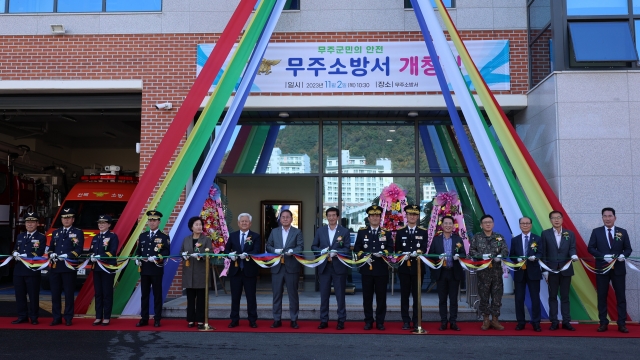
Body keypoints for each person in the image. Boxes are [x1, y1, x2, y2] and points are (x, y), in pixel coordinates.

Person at [587, 207, 633, 333]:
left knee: (621, 297)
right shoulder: (596, 232)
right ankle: (603, 322)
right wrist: (603, 256)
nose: (607, 218)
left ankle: (622, 323)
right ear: (602, 218)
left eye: (610, 216)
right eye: (605, 216)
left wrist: (624, 255)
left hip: (618, 269)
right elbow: (590, 248)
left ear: (615, 217)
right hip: (602, 268)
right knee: (602, 296)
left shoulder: (622, 232)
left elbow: (628, 249)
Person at [353, 205, 393, 331]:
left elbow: (391, 248)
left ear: (380, 218)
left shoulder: (386, 232)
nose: (375, 218)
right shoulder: (362, 232)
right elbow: (357, 248)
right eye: (372, 216)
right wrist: (364, 255)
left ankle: (380, 321)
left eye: (377, 216)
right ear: (368, 218)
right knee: (367, 297)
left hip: (381, 270)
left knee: (381, 298)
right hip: (367, 269)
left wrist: (384, 252)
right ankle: (368, 321)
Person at [311, 207, 351, 330]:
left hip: (338, 266)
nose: (331, 217)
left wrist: (337, 252)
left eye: (334, 215)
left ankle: (341, 320)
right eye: (329, 215)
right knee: (324, 295)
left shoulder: (344, 231)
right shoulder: (320, 231)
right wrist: (320, 251)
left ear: (338, 217)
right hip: (324, 267)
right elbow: (313, 246)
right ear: (326, 217)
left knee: (340, 295)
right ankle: (324, 320)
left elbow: (347, 248)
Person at [468, 214, 509, 331]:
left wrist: (501, 256)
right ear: (481, 225)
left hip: (496, 271)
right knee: (484, 296)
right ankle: (485, 319)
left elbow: (505, 250)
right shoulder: (477, 237)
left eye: (490, 222)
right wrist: (481, 256)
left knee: (497, 296)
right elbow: (471, 251)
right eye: (485, 222)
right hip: (483, 272)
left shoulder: (499, 237)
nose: (488, 224)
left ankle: (495, 319)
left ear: (493, 224)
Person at [265, 209, 303, 329]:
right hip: (277, 267)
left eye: (287, 217)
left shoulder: (297, 232)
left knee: (293, 294)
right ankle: (277, 319)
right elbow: (268, 245)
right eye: (283, 217)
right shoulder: (274, 232)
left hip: (292, 267)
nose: (285, 219)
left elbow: (300, 246)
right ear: (280, 219)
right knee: (276, 294)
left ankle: (294, 319)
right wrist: (274, 250)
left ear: (291, 219)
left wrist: (294, 251)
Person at [541, 210, 578, 331]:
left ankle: (566, 321)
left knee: (565, 296)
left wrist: (573, 255)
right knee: (552, 296)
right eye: (553, 218)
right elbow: (544, 253)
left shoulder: (570, 233)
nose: (556, 220)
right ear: (550, 220)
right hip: (551, 270)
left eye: (558, 217)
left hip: (566, 269)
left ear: (562, 219)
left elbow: (572, 248)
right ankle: (554, 321)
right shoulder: (545, 234)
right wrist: (544, 270)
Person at [429, 215, 466, 331]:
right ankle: (443, 321)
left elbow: (464, 254)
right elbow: (431, 255)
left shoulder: (458, 239)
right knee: (442, 299)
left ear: (453, 225)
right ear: (442, 225)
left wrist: (458, 256)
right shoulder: (436, 240)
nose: (448, 225)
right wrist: (438, 258)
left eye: (450, 223)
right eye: (446, 223)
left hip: (454, 272)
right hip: (441, 272)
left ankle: (453, 322)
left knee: (454, 299)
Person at [48, 208, 84, 326]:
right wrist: (51, 254)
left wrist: (67, 255)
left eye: (68, 218)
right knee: (55, 294)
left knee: (69, 294)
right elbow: (51, 248)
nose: (66, 220)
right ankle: (56, 317)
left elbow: (78, 250)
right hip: (55, 267)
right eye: (64, 218)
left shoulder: (78, 232)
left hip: (68, 267)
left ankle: (68, 317)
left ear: (73, 220)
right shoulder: (56, 232)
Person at [135, 210, 171, 328]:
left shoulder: (163, 236)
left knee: (157, 294)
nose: (152, 222)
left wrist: (157, 257)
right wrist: (137, 258)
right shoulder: (143, 236)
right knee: (144, 294)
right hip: (144, 269)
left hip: (156, 269)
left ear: (159, 222)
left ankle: (157, 318)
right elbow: (139, 251)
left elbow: (166, 251)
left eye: (154, 220)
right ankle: (144, 318)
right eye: (150, 220)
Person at [225, 213, 262, 329]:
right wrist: (230, 255)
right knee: (235, 297)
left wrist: (247, 254)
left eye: (246, 221)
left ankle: (252, 320)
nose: (244, 223)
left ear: (250, 223)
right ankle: (234, 319)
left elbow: (256, 250)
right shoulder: (233, 235)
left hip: (249, 271)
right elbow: (226, 249)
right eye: (242, 221)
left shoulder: (255, 236)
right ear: (238, 223)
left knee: (251, 297)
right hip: (235, 271)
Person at [509, 216, 544, 332]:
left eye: (527, 223)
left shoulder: (537, 239)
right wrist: (516, 259)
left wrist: (536, 257)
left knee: (535, 298)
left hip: (533, 272)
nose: (525, 225)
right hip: (520, 273)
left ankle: (536, 323)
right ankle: (520, 322)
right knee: (519, 298)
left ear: (531, 225)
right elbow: (511, 255)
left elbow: (541, 253)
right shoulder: (515, 239)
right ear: (519, 225)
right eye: (522, 223)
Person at [396, 205, 428, 331]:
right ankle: (405, 320)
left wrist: (418, 252)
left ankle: (417, 320)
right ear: (406, 216)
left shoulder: (423, 231)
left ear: (418, 216)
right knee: (404, 296)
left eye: (415, 214)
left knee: (417, 296)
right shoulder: (400, 232)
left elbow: (425, 248)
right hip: (404, 268)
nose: (412, 216)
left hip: (418, 268)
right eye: (410, 214)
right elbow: (397, 249)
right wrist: (402, 254)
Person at [11, 212, 46, 325]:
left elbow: (40, 252)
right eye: (27, 222)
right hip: (19, 270)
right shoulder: (20, 236)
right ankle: (22, 316)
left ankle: (34, 317)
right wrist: (15, 253)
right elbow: (15, 248)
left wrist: (27, 256)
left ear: (37, 223)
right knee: (20, 295)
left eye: (32, 222)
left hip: (32, 270)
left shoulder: (41, 237)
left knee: (33, 295)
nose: (29, 224)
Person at [179, 216, 213, 329]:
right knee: (190, 298)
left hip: (201, 272)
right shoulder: (186, 239)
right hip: (189, 272)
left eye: (200, 224)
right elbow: (181, 252)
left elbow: (210, 254)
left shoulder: (206, 240)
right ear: (191, 227)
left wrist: (201, 256)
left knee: (201, 299)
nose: (199, 227)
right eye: (196, 225)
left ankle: (199, 320)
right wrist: (184, 256)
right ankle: (190, 319)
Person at [89, 215, 119, 326]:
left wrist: (99, 257)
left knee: (107, 293)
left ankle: (106, 317)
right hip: (97, 268)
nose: (101, 225)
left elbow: (112, 252)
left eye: (103, 223)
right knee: (98, 293)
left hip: (107, 268)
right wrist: (91, 256)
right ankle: (98, 316)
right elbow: (91, 250)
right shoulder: (96, 237)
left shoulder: (112, 236)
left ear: (109, 224)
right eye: (99, 223)